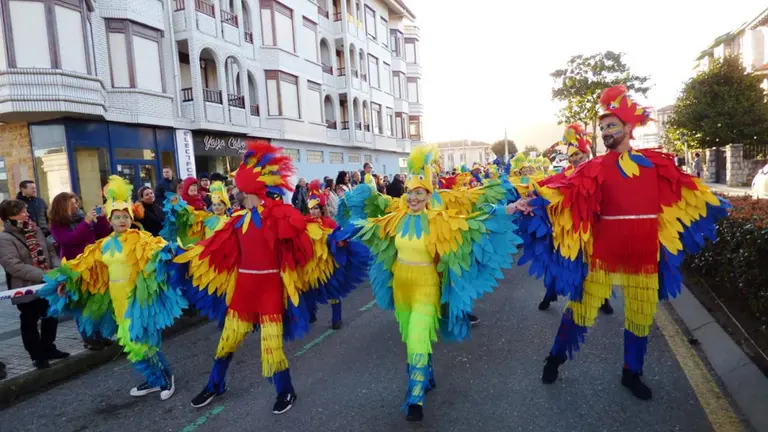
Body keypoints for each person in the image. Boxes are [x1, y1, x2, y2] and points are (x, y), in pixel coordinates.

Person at [511, 85, 730, 400]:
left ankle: (632, 372)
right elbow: (564, 189)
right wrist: (533, 200)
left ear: (629, 126)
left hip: (643, 257)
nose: (605, 132)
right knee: (582, 311)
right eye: (602, 128)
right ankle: (555, 358)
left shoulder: (654, 165)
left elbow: (685, 188)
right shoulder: (595, 167)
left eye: (611, 125)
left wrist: (712, 200)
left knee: (640, 316)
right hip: (604, 256)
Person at [174, 141, 368, 413]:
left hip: (269, 290)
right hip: (243, 289)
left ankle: (286, 391)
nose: (239, 194)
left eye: (241, 189)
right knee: (227, 341)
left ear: (250, 189)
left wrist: (334, 240)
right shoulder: (238, 220)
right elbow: (212, 248)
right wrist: (182, 255)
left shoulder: (277, 217)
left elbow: (306, 236)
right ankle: (215, 384)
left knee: (271, 346)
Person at [354, 145, 522, 421]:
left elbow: (472, 221)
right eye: (410, 193)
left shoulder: (438, 220)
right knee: (411, 337)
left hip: (426, 285)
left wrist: (509, 208)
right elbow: (372, 229)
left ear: (429, 195)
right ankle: (425, 374)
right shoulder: (396, 219)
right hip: (401, 287)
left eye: (419, 193)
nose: (413, 198)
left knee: (419, 335)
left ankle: (415, 399)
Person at [41, 176, 187, 400]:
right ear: (110, 219)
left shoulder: (140, 238)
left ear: (131, 218)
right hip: (117, 299)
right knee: (129, 341)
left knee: (143, 341)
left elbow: (159, 248)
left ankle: (166, 376)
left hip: (138, 299)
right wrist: (66, 281)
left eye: (125, 217)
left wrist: (171, 252)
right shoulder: (103, 244)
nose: (121, 221)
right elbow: (83, 265)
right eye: (117, 217)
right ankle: (154, 380)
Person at [533, 124, 614, 315]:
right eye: (572, 156)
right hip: (568, 230)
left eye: (579, 154)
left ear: (585, 154)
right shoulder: (565, 174)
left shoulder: (598, 171)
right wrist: (530, 190)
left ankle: (603, 298)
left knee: (596, 264)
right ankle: (550, 293)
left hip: (593, 227)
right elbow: (547, 185)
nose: (576, 158)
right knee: (561, 262)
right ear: (568, 158)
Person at [0, 199, 66, 369]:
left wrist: (56, 269)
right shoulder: (5, 238)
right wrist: (43, 275)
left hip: (47, 285)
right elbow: (13, 265)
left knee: (51, 317)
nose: (27, 214)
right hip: (25, 288)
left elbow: (50, 251)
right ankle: (37, 356)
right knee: (30, 321)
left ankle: (49, 348)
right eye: (22, 212)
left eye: (26, 211)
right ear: (9, 217)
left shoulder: (35, 229)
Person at [48, 192, 113, 350]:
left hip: (93, 266)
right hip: (74, 268)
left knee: (97, 302)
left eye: (76, 202)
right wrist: (86, 222)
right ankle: (89, 338)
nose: (76, 206)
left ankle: (101, 334)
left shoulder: (83, 218)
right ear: (63, 207)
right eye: (72, 204)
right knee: (82, 305)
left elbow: (103, 235)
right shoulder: (57, 224)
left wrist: (102, 218)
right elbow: (70, 240)